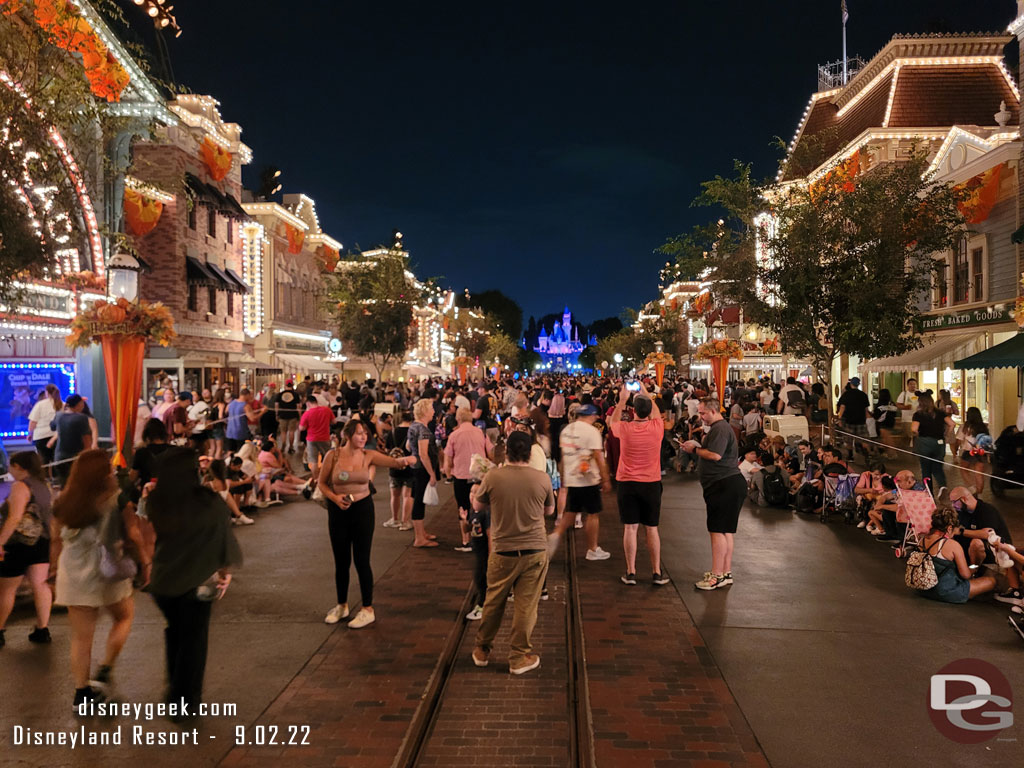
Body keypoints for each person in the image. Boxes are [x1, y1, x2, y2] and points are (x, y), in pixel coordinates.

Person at [141, 447, 242, 713]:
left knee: (175, 632)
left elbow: (149, 537)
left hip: (163, 582)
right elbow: (223, 535)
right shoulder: (207, 501)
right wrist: (224, 571)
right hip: (198, 581)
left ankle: (174, 690)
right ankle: (185, 702)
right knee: (194, 641)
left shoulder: (157, 500)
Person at [52, 449, 148, 708]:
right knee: (124, 616)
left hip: (73, 573)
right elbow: (134, 534)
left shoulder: (64, 500)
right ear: (105, 472)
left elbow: (55, 538)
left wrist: (51, 572)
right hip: (107, 572)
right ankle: (105, 669)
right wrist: (145, 562)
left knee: (81, 637)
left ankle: (81, 693)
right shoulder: (117, 499)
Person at [317, 419, 417, 628]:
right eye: (359, 433)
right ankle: (341, 605)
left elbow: (393, 462)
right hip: (338, 511)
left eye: (365, 434)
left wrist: (409, 458)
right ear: (347, 435)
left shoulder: (368, 455)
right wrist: (335, 499)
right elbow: (322, 484)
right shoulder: (332, 456)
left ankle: (367, 609)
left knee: (362, 560)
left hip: (362, 510)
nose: (363, 437)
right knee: (341, 560)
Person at [469, 431, 553, 675]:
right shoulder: (542, 479)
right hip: (535, 550)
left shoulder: (494, 476)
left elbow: (477, 505)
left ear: (507, 452)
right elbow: (549, 511)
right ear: (529, 453)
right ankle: (518, 657)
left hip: (503, 549)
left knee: (493, 601)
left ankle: (482, 650)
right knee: (526, 606)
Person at [609, 379, 669, 586]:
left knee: (630, 528)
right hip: (651, 482)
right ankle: (656, 571)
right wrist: (644, 391)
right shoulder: (657, 427)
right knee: (652, 528)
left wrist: (622, 400)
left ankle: (631, 571)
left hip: (627, 482)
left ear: (633, 410)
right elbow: (654, 411)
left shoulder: (625, 429)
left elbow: (611, 423)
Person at [681, 398, 745, 590]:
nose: (700, 417)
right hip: (728, 484)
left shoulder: (719, 429)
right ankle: (724, 572)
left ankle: (716, 575)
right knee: (726, 531)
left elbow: (715, 455)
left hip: (723, 484)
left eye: (703, 413)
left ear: (713, 411)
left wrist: (695, 449)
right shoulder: (721, 428)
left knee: (717, 531)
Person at [0, 451, 55, 649]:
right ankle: (42, 629)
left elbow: (14, 518)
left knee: (6, 589)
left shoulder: (20, 486)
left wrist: (0, 542)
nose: (9, 469)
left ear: (20, 467)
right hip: (42, 540)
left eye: (11, 466)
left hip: (19, 543)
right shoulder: (45, 485)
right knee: (40, 585)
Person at [552, 403, 612, 560]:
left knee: (571, 512)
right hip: (588, 479)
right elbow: (598, 457)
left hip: (572, 478)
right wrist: (605, 479)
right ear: (591, 416)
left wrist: (564, 477)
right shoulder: (592, 432)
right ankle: (592, 549)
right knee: (593, 514)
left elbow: (563, 456)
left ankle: (554, 536)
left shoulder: (566, 431)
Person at [948, 486, 1021, 604]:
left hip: (997, 553)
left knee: (976, 543)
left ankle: (973, 572)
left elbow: (987, 533)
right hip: (971, 554)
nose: (952, 505)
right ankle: (964, 571)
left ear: (963, 499)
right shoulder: (963, 513)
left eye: (954, 501)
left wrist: (960, 531)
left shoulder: (987, 510)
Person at [916, 506, 997, 604]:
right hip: (945, 592)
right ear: (949, 528)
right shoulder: (952, 545)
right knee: (991, 581)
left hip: (923, 589)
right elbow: (966, 574)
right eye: (954, 531)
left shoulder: (921, 540)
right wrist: (975, 566)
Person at [444, 407, 492, 552]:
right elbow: (490, 453)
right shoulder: (481, 433)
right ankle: (481, 537)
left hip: (461, 476)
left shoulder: (454, 435)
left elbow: (448, 460)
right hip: (479, 476)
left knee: (463, 507)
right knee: (480, 507)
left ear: (458, 419)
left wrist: (448, 473)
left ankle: (466, 540)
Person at [408, 398, 441, 548]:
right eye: (431, 409)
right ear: (425, 411)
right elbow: (423, 454)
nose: (433, 411)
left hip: (416, 468)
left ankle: (421, 533)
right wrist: (432, 474)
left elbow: (409, 446)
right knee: (420, 502)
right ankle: (419, 538)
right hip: (422, 469)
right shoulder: (423, 430)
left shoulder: (413, 426)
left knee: (418, 499)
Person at [911, 393, 954, 493]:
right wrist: (946, 434)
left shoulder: (918, 415)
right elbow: (952, 424)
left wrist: (917, 435)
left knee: (926, 469)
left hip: (925, 443)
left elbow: (914, 429)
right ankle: (943, 487)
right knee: (938, 467)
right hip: (939, 443)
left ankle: (929, 492)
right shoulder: (941, 413)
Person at [50, 394, 92, 487]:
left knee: (64, 485)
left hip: (59, 457)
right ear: (79, 404)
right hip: (75, 457)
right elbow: (87, 439)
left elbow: (52, 427)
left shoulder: (59, 416)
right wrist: (87, 456)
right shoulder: (81, 418)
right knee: (77, 486)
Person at [384, 411, 416, 530]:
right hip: (409, 466)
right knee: (407, 495)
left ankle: (395, 519)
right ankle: (405, 522)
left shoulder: (392, 432)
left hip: (394, 466)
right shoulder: (413, 432)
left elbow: (387, 449)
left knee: (394, 495)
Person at [957, 407, 990, 496]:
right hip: (981, 452)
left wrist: (956, 449)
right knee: (979, 474)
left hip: (969, 452)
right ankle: (979, 492)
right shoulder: (984, 427)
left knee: (964, 470)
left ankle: (972, 487)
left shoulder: (965, 427)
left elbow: (959, 439)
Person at [836, 377, 871, 459]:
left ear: (851, 384)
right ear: (858, 384)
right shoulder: (863, 395)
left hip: (849, 420)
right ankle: (867, 454)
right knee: (864, 439)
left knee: (849, 440)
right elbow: (866, 409)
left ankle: (850, 455)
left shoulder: (846, 394)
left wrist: (840, 418)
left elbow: (842, 407)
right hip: (861, 421)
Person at [28, 384, 62, 468]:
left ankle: (45, 479)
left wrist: (30, 434)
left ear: (47, 393)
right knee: (56, 460)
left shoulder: (40, 405)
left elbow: (33, 422)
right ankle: (56, 479)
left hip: (40, 436)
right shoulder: (62, 404)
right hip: (57, 436)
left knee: (43, 461)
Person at [300, 393, 334, 473]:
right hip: (325, 438)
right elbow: (334, 421)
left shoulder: (307, 414)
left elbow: (301, 428)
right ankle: (327, 477)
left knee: (314, 461)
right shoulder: (327, 410)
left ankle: (316, 480)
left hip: (311, 439)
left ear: (308, 403)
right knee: (327, 459)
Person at [225, 388, 263, 454]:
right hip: (240, 432)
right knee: (242, 452)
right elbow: (253, 418)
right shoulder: (246, 406)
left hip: (230, 431)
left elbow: (226, 412)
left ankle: (230, 463)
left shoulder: (231, 403)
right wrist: (262, 412)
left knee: (230, 451)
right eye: (250, 395)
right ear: (247, 395)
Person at [275, 380, 302, 453]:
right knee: (291, 431)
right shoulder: (296, 395)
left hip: (282, 415)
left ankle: (283, 445)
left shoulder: (280, 394)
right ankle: (291, 447)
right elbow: (298, 407)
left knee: (283, 432)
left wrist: (276, 414)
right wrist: (300, 416)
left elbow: (276, 406)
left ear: (285, 385)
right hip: (293, 415)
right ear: (292, 385)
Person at [209, 388, 228, 460]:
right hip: (218, 427)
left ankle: (208, 463)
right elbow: (220, 417)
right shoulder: (221, 404)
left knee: (212, 448)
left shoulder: (212, 404)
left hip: (210, 427)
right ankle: (216, 464)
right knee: (219, 448)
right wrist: (226, 422)